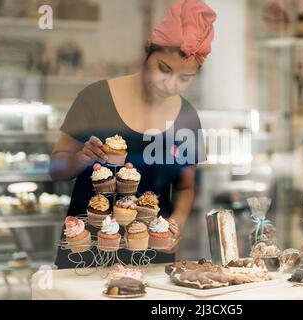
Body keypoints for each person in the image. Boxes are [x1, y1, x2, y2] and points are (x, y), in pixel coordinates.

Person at [50, 0, 217, 268]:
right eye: (164, 68)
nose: (170, 84)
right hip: (85, 250)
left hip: (152, 256)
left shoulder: (187, 117)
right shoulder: (95, 98)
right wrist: (80, 159)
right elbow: (56, 169)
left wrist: (177, 223)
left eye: (184, 77)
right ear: (147, 52)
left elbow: (186, 186)